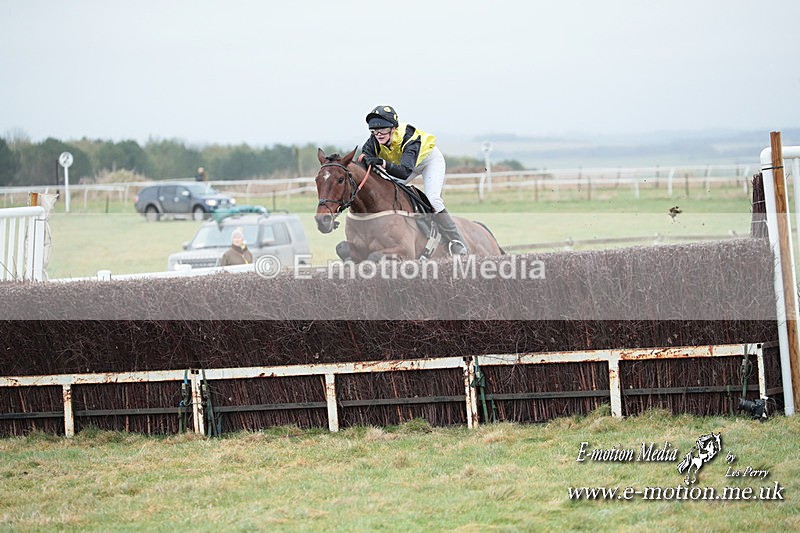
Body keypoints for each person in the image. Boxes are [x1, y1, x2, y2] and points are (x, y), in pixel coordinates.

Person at [359, 105, 468, 255]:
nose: (378, 134)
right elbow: (364, 158)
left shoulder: (409, 138)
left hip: (429, 162)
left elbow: (404, 173)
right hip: (404, 165)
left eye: (383, 130)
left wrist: (382, 163)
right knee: (388, 191)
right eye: (374, 131)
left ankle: (456, 241)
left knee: (433, 199)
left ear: (393, 129)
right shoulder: (374, 140)